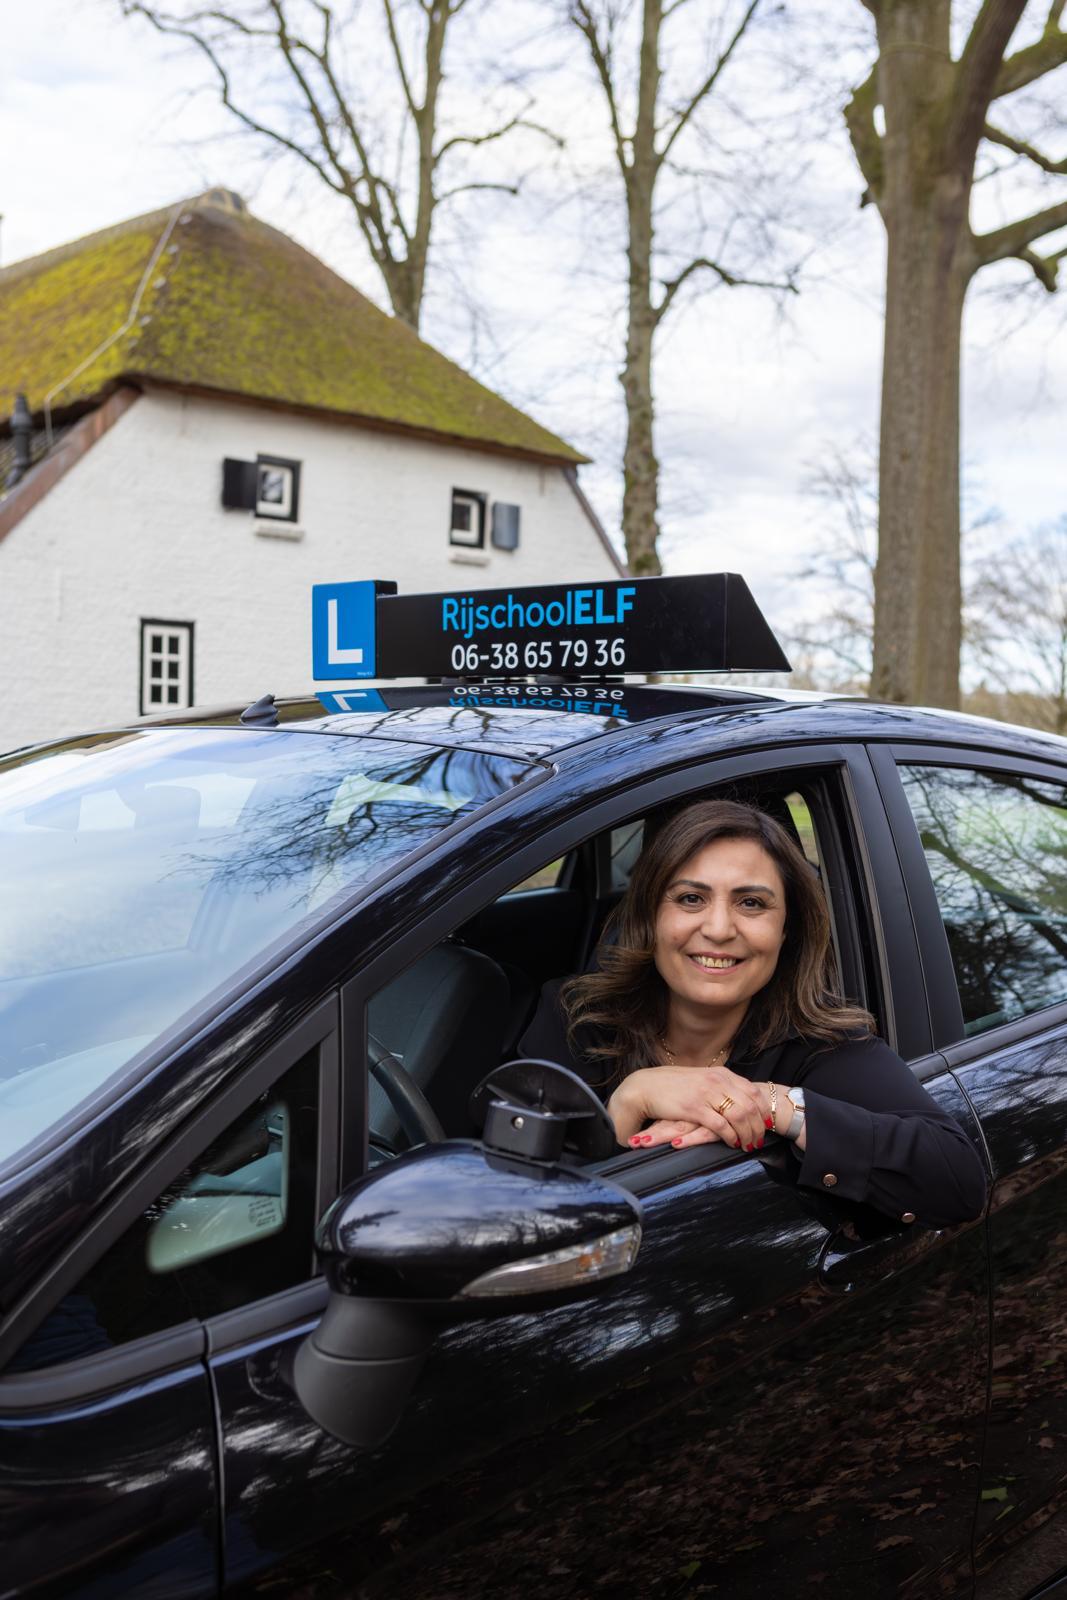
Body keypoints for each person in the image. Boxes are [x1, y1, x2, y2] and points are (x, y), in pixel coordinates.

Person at [518, 799, 987, 1228]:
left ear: (787, 931)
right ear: (649, 919)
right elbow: (525, 1209)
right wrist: (629, 1101)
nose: (719, 929)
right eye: (690, 898)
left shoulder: (822, 1045)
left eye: (751, 903)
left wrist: (770, 1105)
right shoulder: (576, 1015)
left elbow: (958, 1184)